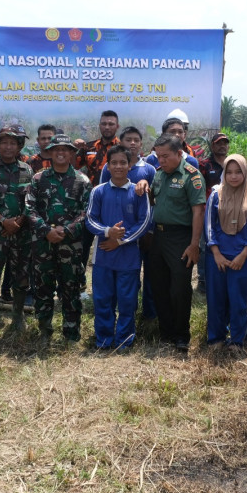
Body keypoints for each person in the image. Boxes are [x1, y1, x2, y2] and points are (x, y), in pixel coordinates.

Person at [26, 134, 92, 345]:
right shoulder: (38, 179)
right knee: (43, 288)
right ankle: (45, 330)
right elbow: (29, 208)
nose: (61, 153)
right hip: (43, 243)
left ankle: (71, 333)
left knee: (71, 288)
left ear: (72, 153)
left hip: (70, 245)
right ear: (50, 153)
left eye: (65, 149)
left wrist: (67, 229)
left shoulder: (82, 181)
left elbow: (87, 212)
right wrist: (46, 230)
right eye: (56, 149)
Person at [86, 145, 153, 349]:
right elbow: (90, 219)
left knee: (127, 301)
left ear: (129, 165)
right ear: (108, 165)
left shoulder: (138, 192)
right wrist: (108, 232)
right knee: (102, 299)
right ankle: (104, 339)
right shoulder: (98, 191)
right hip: (103, 256)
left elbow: (145, 221)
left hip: (128, 257)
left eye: (123, 162)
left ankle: (124, 339)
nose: (118, 166)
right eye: (113, 162)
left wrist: (120, 240)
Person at [147, 133, 206, 352]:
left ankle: (182, 335)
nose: (161, 161)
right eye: (158, 156)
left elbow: (198, 212)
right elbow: (153, 200)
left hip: (181, 237)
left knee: (180, 288)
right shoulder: (159, 175)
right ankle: (166, 331)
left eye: (165, 156)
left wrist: (194, 244)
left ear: (179, 153)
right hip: (159, 236)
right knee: (159, 285)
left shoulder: (192, 176)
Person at [0, 126, 35, 338]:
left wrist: (18, 221)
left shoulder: (26, 170)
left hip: (21, 232)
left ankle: (17, 316)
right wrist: (3, 221)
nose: (9, 146)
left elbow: (30, 200)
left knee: (21, 276)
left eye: (13, 142)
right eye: (4, 142)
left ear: (19, 146)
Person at [100, 126, 158, 332]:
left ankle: (146, 315)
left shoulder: (149, 169)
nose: (132, 143)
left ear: (141, 144)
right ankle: (118, 315)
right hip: (117, 233)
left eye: (136, 140)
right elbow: (104, 196)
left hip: (143, 232)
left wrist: (148, 231)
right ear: (121, 143)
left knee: (145, 275)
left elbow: (153, 201)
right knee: (120, 277)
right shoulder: (109, 169)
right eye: (128, 140)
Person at [204, 154, 247, 348]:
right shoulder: (216, 194)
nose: (234, 176)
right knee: (216, 298)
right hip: (217, 257)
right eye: (229, 172)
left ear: (245, 173)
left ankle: (238, 340)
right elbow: (209, 226)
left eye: (238, 172)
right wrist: (217, 254)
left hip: (243, 258)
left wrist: (244, 254)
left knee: (239, 300)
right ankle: (216, 337)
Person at [76, 110, 120, 277]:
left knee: (111, 243)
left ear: (117, 126)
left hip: (115, 204)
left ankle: (111, 281)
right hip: (91, 204)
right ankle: (79, 284)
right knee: (83, 245)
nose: (107, 127)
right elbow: (74, 168)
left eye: (111, 124)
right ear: (99, 125)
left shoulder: (123, 147)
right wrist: (75, 149)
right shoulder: (88, 147)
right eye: (104, 123)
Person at [197, 132, 230, 294]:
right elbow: (199, 190)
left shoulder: (233, 164)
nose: (222, 146)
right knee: (205, 246)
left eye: (225, 143)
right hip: (208, 212)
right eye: (218, 143)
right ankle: (203, 280)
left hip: (230, 213)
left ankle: (222, 275)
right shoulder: (204, 165)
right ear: (212, 146)